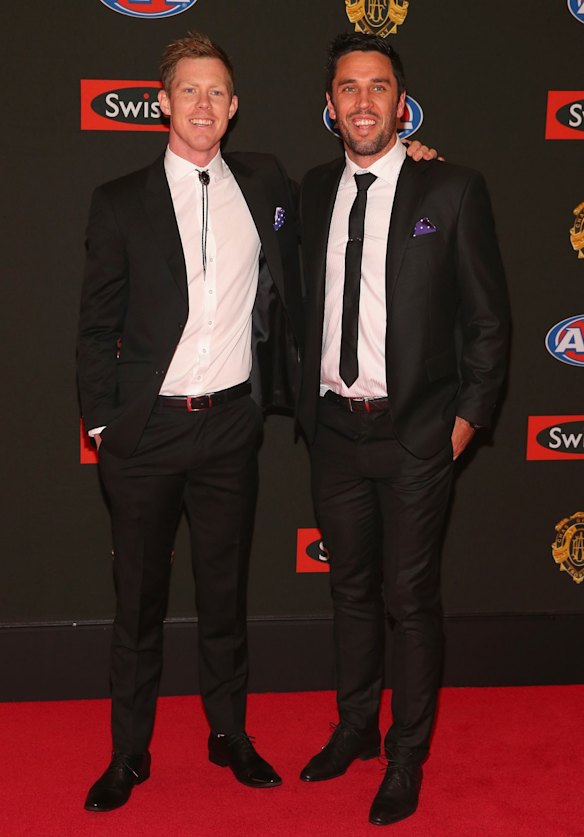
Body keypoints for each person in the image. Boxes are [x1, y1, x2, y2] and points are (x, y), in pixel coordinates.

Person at [77, 31, 304, 812]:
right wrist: (104, 426)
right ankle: (128, 754)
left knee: (224, 595)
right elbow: (92, 324)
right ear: (162, 102)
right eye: (189, 91)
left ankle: (228, 733)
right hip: (146, 435)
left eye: (217, 93)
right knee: (137, 603)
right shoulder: (118, 201)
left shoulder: (266, 182)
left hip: (229, 430)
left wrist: (418, 160)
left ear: (233, 107)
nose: (203, 105)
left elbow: (351, 195)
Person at [296, 33, 510, 826]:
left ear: (400, 102)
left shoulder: (450, 189)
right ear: (330, 106)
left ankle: (405, 753)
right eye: (347, 89)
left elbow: (490, 323)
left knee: (408, 597)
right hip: (334, 431)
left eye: (377, 88)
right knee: (349, 592)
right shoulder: (313, 190)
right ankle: (354, 726)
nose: (361, 102)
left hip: (419, 435)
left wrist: (464, 425)